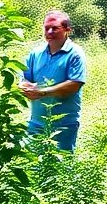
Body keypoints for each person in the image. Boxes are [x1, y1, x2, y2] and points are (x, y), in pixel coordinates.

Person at [20, 10, 88, 151]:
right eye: (46, 28)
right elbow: (24, 78)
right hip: (36, 122)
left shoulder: (75, 54)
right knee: (33, 165)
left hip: (64, 123)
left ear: (67, 30)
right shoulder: (35, 53)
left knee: (61, 167)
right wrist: (24, 87)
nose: (50, 31)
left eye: (55, 28)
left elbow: (74, 84)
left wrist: (42, 92)